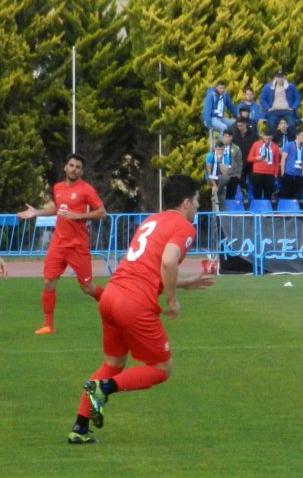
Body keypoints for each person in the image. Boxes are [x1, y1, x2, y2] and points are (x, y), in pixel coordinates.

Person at [69, 174, 215, 444]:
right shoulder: (184, 227)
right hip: (133, 303)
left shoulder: (152, 220)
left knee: (113, 363)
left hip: (112, 296)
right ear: (185, 203)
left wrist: (185, 283)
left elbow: (150, 270)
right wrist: (172, 299)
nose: (197, 206)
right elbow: (168, 264)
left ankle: (79, 428)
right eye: (196, 201)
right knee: (162, 368)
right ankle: (105, 388)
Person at [17, 154, 107, 335]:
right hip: (58, 244)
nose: (74, 169)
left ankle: (117, 308)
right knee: (49, 281)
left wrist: (79, 216)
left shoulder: (86, 190)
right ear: (65, 167)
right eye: (71, 165)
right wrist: (37, 212)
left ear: (82, 171)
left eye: (78, 167)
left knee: (87, 287)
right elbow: (57, 208)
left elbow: (102, 212)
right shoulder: (57, 187)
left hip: (77, 246)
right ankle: (48, 325)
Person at [205, 131, 243, 210]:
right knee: (216, 184)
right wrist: (214, 185)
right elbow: (209, 172)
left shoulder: (227, 157)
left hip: (223, 177)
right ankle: (217, 192)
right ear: (215, 149)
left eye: (222, 150)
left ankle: (220, 197)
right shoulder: (210, 156)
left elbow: (224, 173)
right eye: (218, 149)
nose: (220, 151)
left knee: (227, 179)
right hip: (210, 177)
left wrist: (219, 161)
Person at [259, 70, 301, 139]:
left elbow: (297, 98)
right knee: (272, 125)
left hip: (287, 111)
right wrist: (268, 108)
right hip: (273, 111)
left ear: (284, 77)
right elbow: (262, 99)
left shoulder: (291, 87)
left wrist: (293, 108)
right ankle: (274, 144)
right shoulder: (268, 87)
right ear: (275, 77)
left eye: (282, 77)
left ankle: (291, 143)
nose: (280, 79)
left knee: (292, 125)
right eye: (278, 77)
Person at [246, 132, 282, 201]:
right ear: (263, 136)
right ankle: (257, 207)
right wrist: (257, 158)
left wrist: (275, 174)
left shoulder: (275, 146)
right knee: (257, 193)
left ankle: (267, 208)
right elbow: (249, 158)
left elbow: (276, 162)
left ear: (272, 137)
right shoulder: (256, 144)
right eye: (265, 138)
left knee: (268, 194)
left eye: (269, 139)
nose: (267, 140)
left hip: (270, 173)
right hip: (257, 172)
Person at [279, 128, 303, 201]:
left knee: (296, 197)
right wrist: (283, 173)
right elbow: (283, 159)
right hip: (288, 174)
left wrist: (302, 174)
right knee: (286, 195)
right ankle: (285, 211)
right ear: (297, 136)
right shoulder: (289, 145)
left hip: (298, 175)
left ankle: (295, 211)